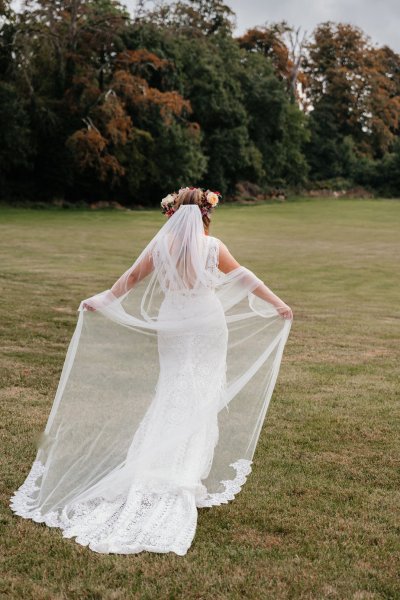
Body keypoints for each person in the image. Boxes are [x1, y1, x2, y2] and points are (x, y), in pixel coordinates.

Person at [10, 186, 293, 556]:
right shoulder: (213, 247)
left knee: (174, 389)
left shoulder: (161, 247)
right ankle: (182, 471)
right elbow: (245, 278)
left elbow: (129, 279)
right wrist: (278, 304)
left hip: (174, 323)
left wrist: (102, 300)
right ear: (207, 214)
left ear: (172, 214)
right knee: (200, 393)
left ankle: (172, 465)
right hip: (207, 325)